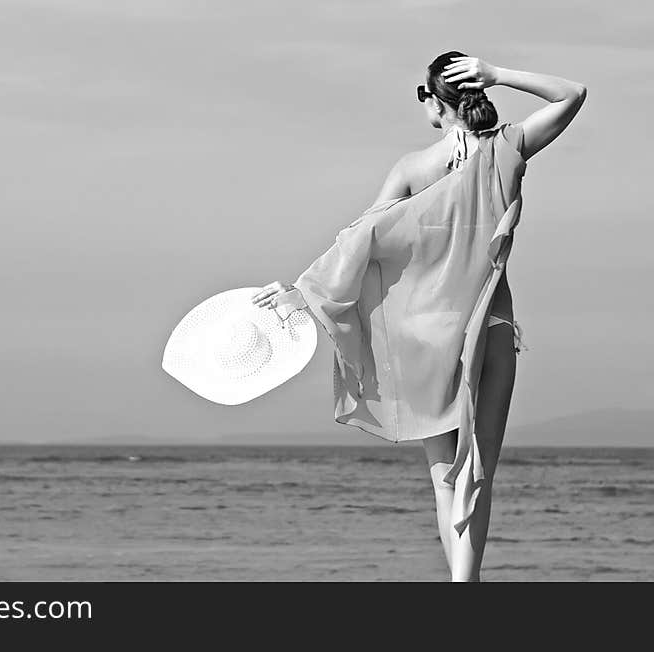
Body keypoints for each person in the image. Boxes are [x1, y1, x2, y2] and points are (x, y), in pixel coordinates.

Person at [251, 52, 586, 581]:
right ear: (474, 90)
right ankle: (466, 585)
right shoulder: (505, 149)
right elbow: (572, 93)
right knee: (478, 472)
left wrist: (301, 290)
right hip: (487, 328)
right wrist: (497, 74)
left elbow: (359, 240)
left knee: (444, 479)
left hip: (423, 339)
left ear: (434, 100)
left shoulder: (411, 169)